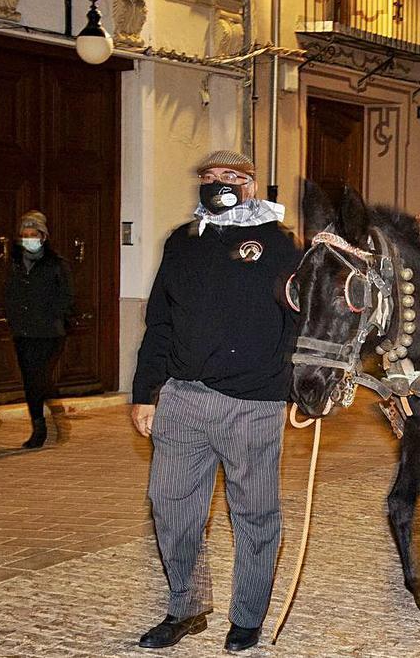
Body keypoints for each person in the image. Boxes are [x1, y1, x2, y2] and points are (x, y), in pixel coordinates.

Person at [130, 150, 301, 652]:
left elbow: (299, 322)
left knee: (254, 514)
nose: (218, 184)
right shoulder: (181, 244)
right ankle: (186, 607)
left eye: (230, 177)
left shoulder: (280, 244)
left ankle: (246, 617)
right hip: (184, 398)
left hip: (253, 403)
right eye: (209, 177)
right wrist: (146, 393)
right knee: (170, 508)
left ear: (251, 185)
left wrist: (298, 391)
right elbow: (159, 321)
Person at [5, 210, 73, 449]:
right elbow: (10, 293)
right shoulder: (14, 263)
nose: (28, 238)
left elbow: (66, 296)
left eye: (33, 234)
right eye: (24, 234)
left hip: (48, 332)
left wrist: (55, 315)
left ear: (43, 236)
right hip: (23, 332)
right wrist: (13, 318)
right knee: (30, 380)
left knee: (39, 377)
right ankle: (40, 424)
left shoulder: (55, 264)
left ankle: (49, 421)